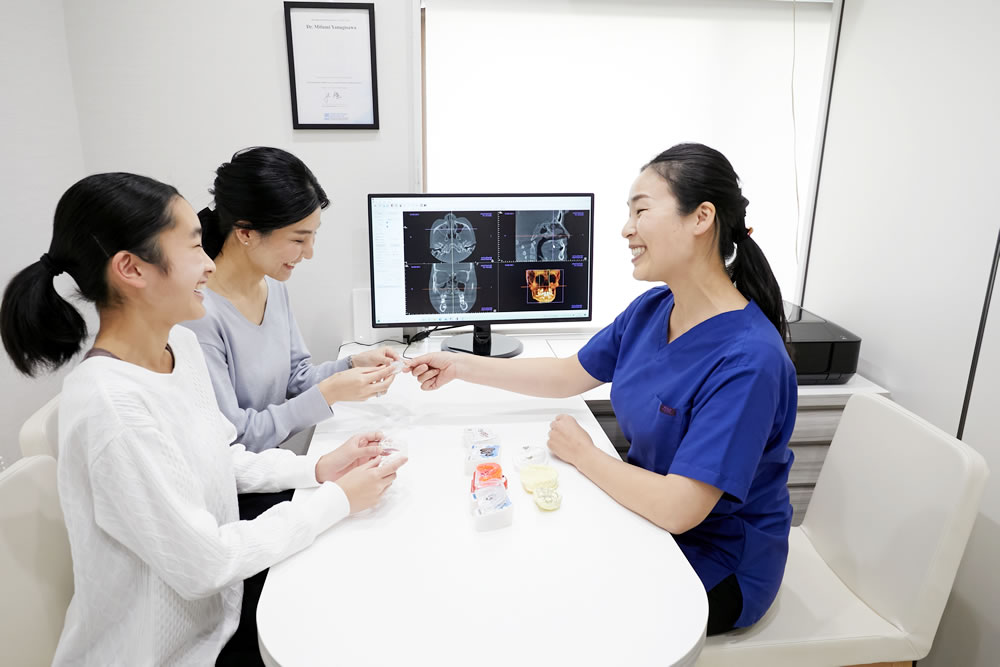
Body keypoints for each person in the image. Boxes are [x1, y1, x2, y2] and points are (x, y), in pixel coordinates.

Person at [0, 172, 406, 665]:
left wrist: (318, 469)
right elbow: (206, 563)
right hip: (171, 653)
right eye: (194, 246)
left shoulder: (180, 345)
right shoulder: (111, 408)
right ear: (131, 268)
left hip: (219, 614)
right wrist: (337, 500)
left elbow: (219, 455)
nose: (209, 265)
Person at [409, 143, 797, 635]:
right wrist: (460, 366)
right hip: (648, 521)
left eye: (640, 211)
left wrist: (584, 454)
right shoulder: (654, 309)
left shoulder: (748, 360)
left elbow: (679, 508)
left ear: (701, 217)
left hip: (714, 563)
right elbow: (566, 375)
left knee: (553, 611)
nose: (626, 229)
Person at [183, 146, 403, 454]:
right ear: (246, 233)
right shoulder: (198, 315)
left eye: (313, 236)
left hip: (275, 465)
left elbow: (295, 378)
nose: (309, 253)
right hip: (242, 475)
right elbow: (235, 438)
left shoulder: (272, 286)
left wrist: (351, 365)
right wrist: (329, 393)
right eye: (299, 239)